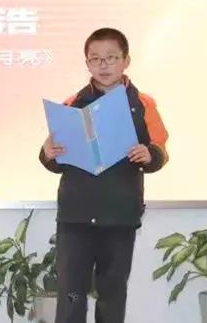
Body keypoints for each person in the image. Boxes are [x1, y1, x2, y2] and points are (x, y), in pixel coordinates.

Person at [39, 27, 169, 323]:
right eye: (95, 59)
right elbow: (55, 159)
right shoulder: (73, 103)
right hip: (76, 216)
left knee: (112, 292)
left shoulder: (143, 104)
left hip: (119, 215)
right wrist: (47, 153)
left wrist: (150, 154)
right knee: (71, 293)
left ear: (126, 60)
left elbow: (160, 148)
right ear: (87, 63)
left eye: (111, 57)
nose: (103, 65)